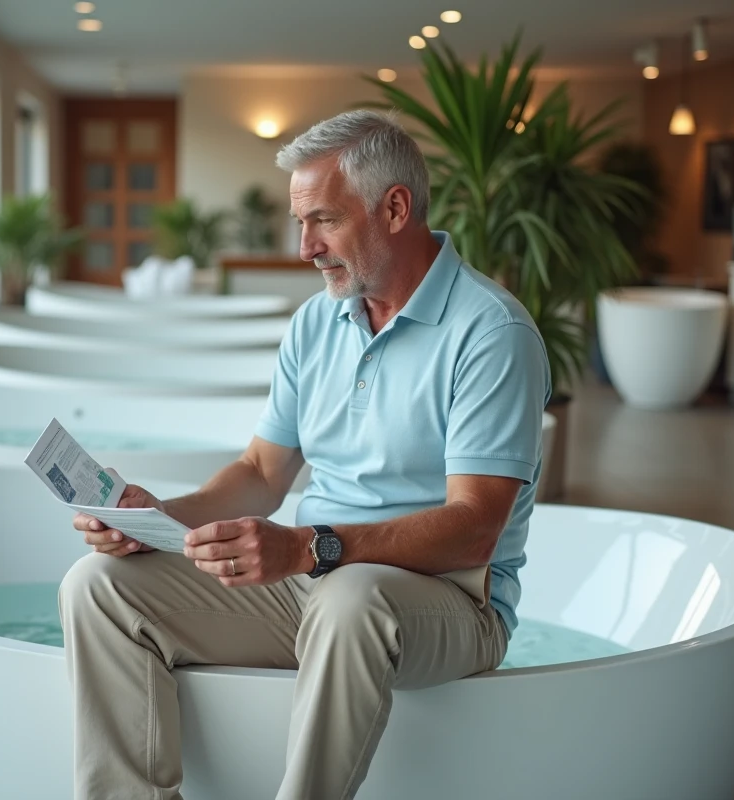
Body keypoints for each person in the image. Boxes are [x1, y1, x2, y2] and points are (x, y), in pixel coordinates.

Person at [60, 109, 552, 799]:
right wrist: (156, 517)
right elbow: (262, 473)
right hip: (316, 577)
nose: (304, 248)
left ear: (395, 208)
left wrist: (311, 548)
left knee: (352, 598)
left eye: (323, 220)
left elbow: (477, 527)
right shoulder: (317, 321)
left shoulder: (491, 334)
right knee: (98, 587)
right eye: (301, 222)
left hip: (452, 598)